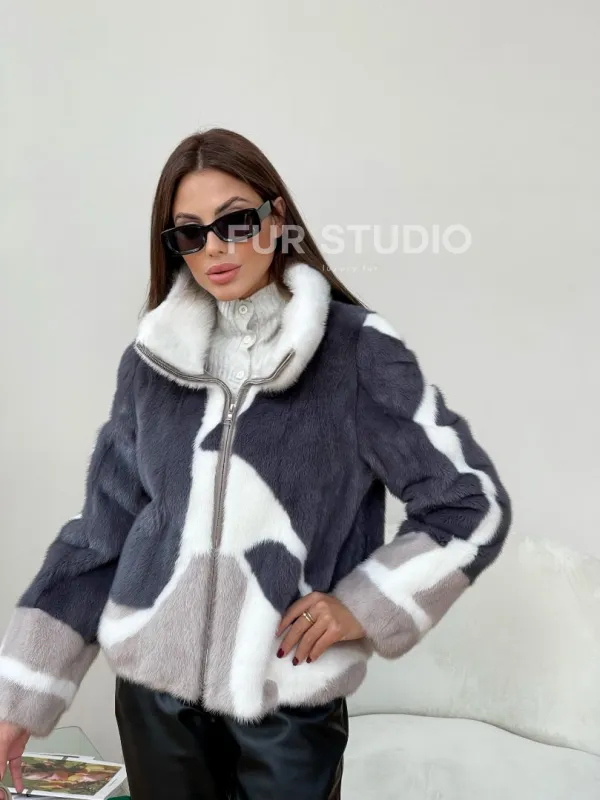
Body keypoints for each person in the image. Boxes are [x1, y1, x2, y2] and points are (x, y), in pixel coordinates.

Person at [0, 127, 511, 799]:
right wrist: (20, 699)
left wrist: (362, 605)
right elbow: (101, 534)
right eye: (191, 233)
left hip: (286, 704)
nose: (215, 247)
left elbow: (469, 503)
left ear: (277, 218)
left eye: (235, 221)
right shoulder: (153, 364)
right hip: (155, 701)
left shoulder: (354, 352)